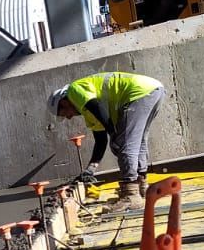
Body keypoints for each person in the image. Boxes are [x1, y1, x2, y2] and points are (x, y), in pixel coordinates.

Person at [48, 72, 165, 200]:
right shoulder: (88, 112)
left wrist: (113, 134)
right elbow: (100, 140)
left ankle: (130, 195)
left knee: (125, 144)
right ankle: (142, 186)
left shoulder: (74, 90)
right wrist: (90, 169)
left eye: (65, 113)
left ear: (64, 102)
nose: (69, 117)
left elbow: (96, 106)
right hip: (154, 90)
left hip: (139, 93)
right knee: (138, 141)